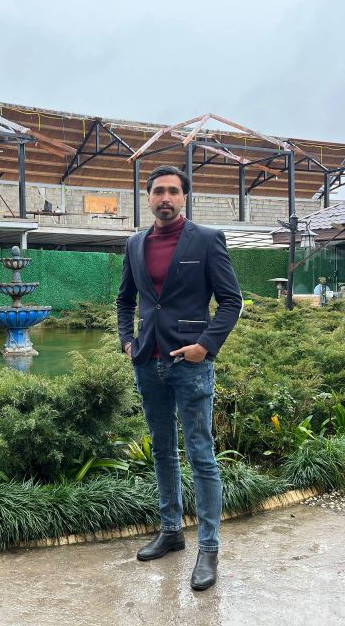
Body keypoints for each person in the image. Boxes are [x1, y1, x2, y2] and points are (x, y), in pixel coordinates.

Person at [116, 165, 242, 591]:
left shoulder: (206, 239)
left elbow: (231, 301)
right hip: (147, 362)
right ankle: (171, 531)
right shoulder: (134, 243)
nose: (165, 198)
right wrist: (127, 342)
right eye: (158, 191)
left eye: (173, 191)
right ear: (148, 197)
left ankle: (209, 548)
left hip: (190, 364)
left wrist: (205, 346)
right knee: (163, 452)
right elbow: (125, 300)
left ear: (184, 197)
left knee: (201, 456)